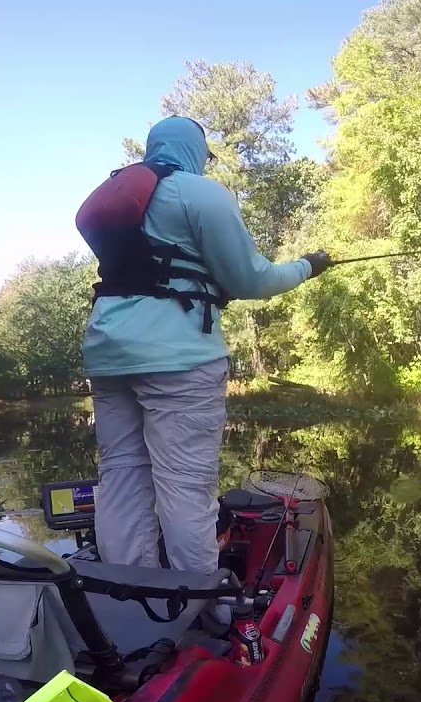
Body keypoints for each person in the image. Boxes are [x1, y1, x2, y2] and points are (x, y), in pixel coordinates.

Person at [81, 115, 331, 582]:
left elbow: (156, 272)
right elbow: (251, 279)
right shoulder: (199, 192)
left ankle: (129, 595)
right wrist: (307, 266)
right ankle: (199, 605)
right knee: (185, 487)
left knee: (121, 477)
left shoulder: (122, 196)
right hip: (178, 359)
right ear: (195, 150)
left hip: (107, 352)